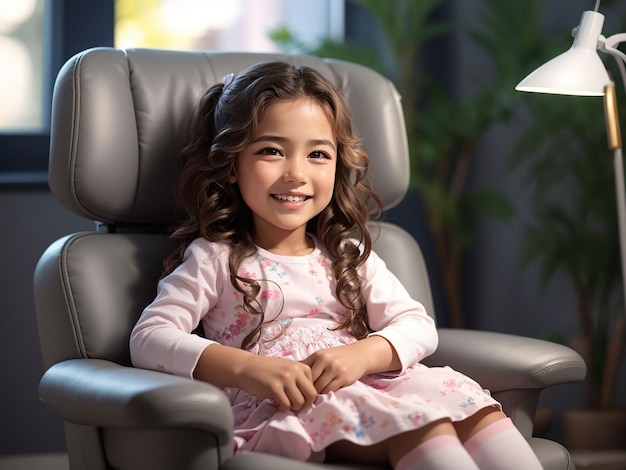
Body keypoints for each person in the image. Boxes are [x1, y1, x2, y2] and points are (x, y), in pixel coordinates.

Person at [130, 61, 542, 470]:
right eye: (271, 151)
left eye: (318, 154)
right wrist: (247, 369)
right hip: (297, 402)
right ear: (231, 164)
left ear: (338, 163)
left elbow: (416, 325)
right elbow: (150, 337)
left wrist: (363, 355)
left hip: (376, 383)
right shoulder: (213, 257)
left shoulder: (346, 253)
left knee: (477, 411)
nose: (296, 173)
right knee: (425, 427)